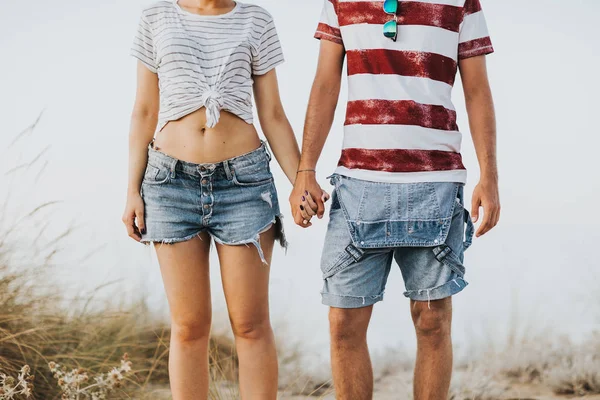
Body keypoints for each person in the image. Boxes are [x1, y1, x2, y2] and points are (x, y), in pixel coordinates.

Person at [290, 0, 500, 398]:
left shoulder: (462, 3)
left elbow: (477, 90)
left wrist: (489, 176)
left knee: (432, 320)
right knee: (343, 323)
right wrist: (305, 171)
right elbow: (324, 84)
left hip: (436, 182)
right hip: (357, 185)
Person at [122, 1, 303, 398]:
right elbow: (145, 110)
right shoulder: (157, 17)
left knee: (251, 324)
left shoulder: (256, 19)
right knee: (188, 326)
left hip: (244, 184)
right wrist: (132, 190)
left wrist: (300, 179)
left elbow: (272, 112)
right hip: (169, 184)